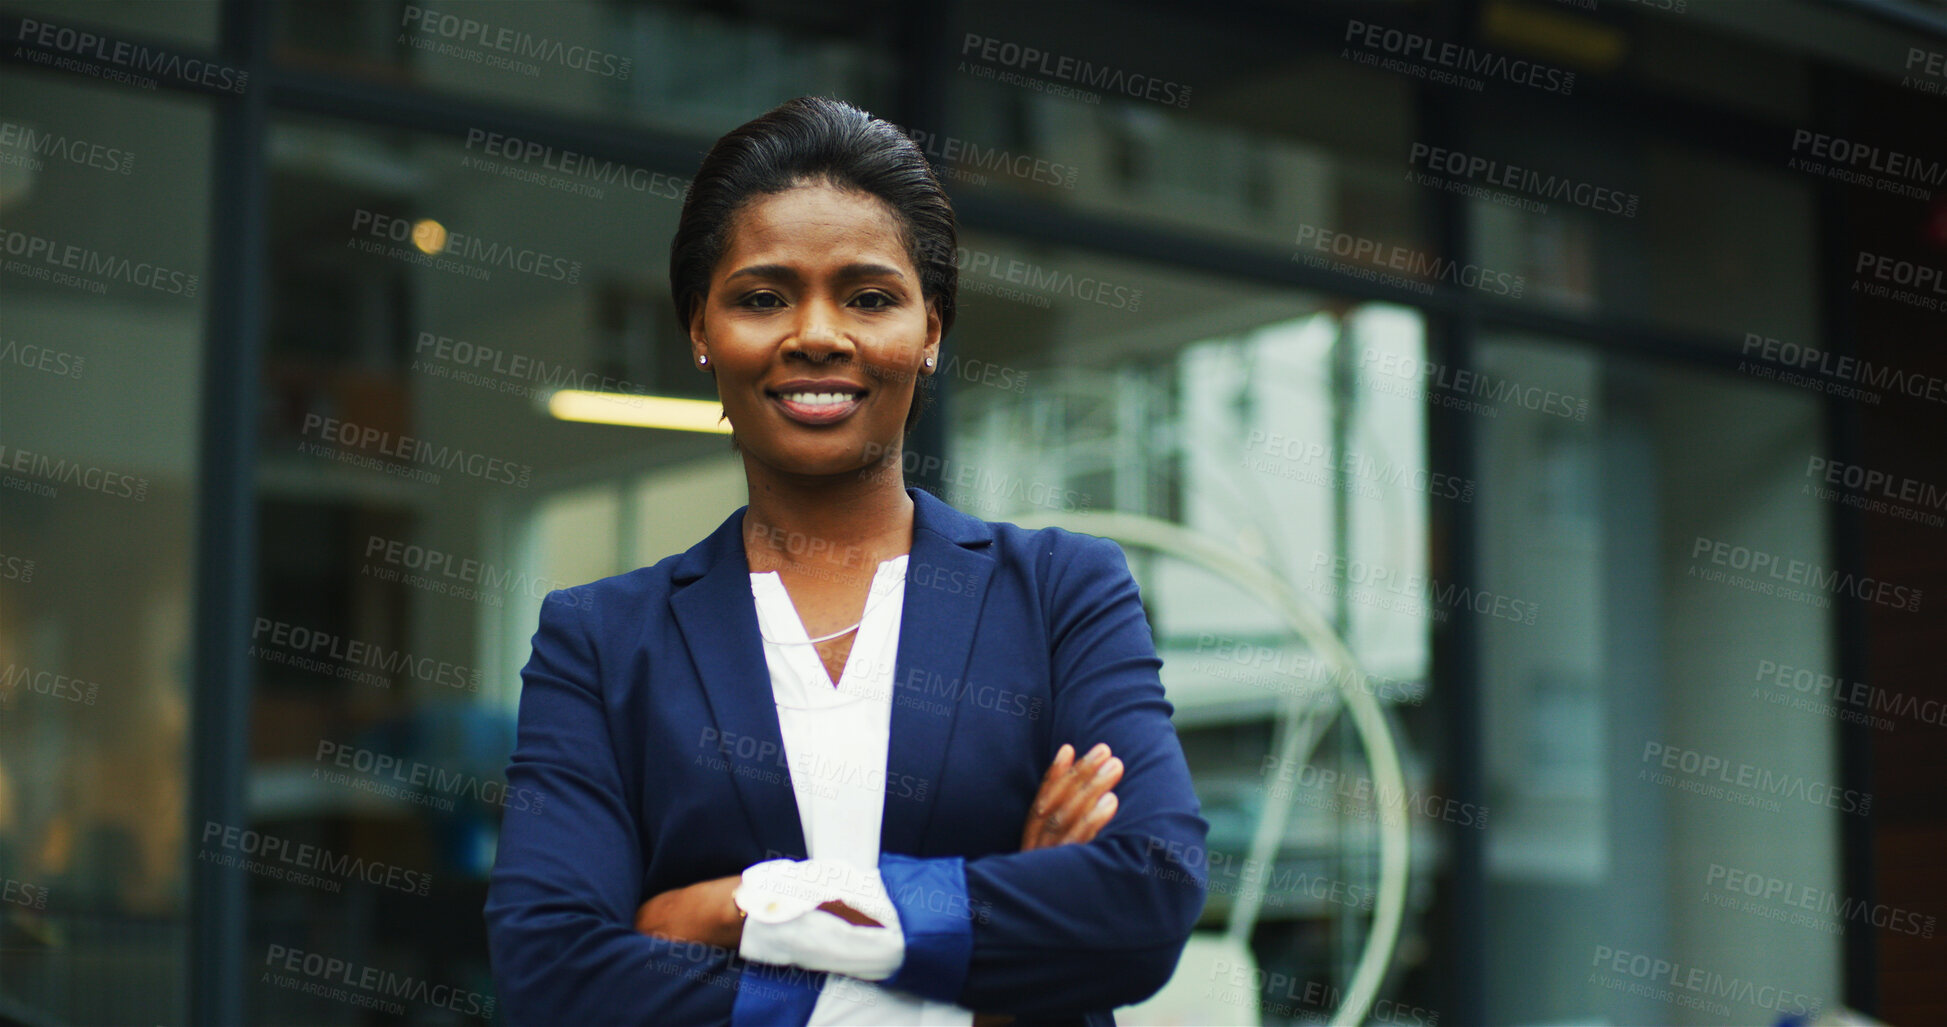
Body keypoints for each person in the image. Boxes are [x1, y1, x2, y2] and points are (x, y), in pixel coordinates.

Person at [483, 95, 1208, 1027]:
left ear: (932, 330)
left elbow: (1141, 902)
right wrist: (983, 951)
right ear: (700, 330)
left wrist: (735, 909)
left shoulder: (1061, 593)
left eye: (869, 297)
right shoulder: (604, 640)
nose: (816, 333)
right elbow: (551, 976)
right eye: (761, 296)